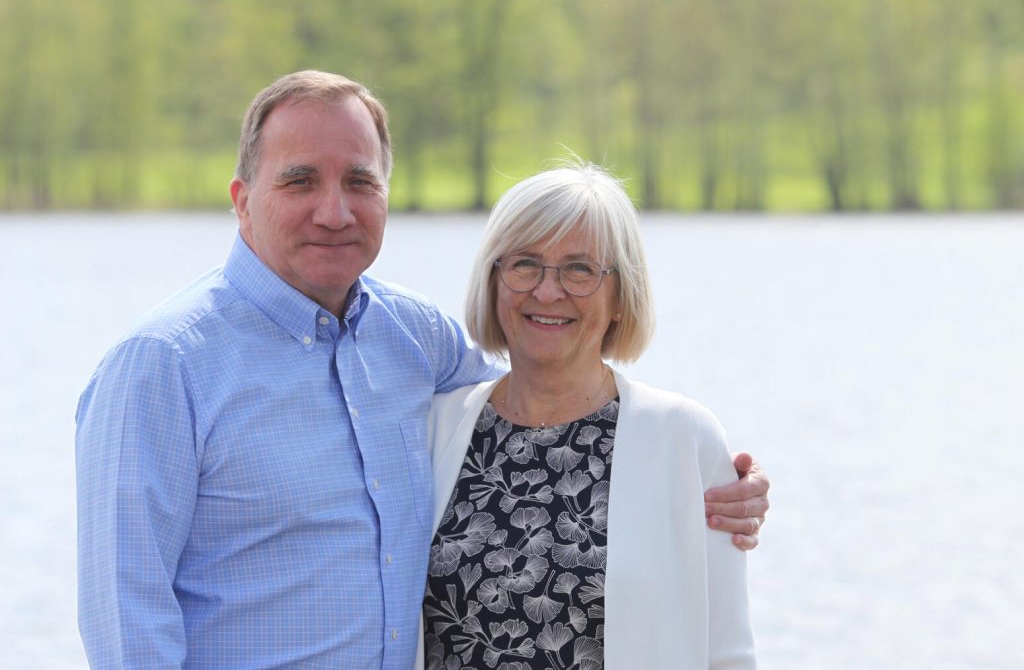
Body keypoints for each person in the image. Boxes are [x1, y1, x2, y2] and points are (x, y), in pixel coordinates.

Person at [76, 70, 767, 669]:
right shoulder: (162, 367)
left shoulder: (414, 342)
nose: (334, 211)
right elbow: (125, 622)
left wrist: (710, 473)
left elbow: (555, 382)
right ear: (241, 199)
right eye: (299, 181)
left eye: (359, 181)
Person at [420, 163, 755, 668]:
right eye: (525, 264)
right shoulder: (433, 428)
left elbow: (728, 651)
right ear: (493, 280)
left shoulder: (684, 440)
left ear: (621, 296)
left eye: (580, 269)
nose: (548, 291)